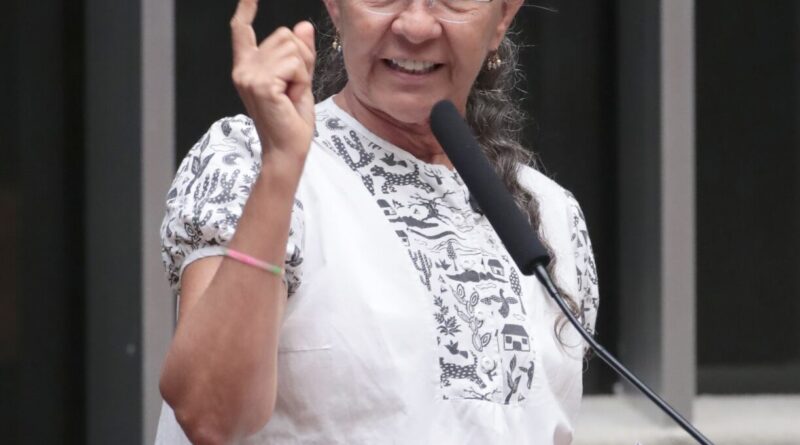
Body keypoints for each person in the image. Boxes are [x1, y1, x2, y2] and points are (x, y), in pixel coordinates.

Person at [155, 0, 599, 443]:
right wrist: (281, 169)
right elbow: (209, 415)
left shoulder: (551, 215)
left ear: (502, 17)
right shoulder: (253, 160)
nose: (416, 26)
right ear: (335, 7)